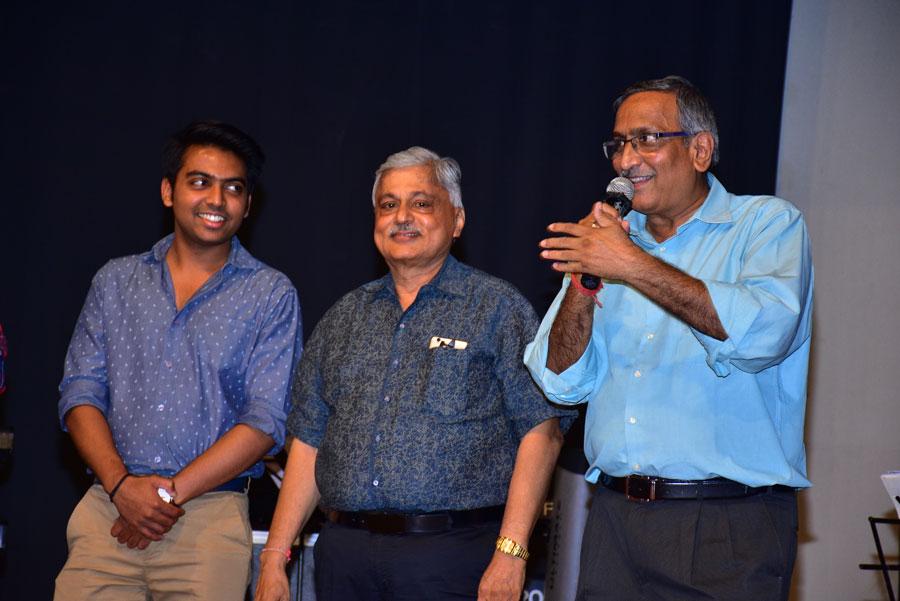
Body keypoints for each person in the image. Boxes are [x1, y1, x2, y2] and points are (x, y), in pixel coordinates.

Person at [524, 76, 813, 601]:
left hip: (727, 522)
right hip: (614, 521)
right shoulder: (610, 246)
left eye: (647, 139)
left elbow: (762, 334)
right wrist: (585, 282)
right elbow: (558, 380)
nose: (626, 160)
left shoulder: (765, 225)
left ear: (700, 150)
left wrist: (631, 265)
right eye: (618, 144)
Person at [255, 146, 573, 601]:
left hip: (454, 556)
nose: (402, 217)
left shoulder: (497, 309)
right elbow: (308, 442)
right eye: (388, 205)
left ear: (457, 220)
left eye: (421, 203)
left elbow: (542, 432)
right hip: (344, 557)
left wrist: (512, 553)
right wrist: (274, 556)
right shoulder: (343, 318)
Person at [55, 121, 303, 601]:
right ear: (169, 192)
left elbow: (267, 419)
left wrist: (165, 496)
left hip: (209, 520)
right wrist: (122, 487)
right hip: (108, 510)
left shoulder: (270, 294)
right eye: (200, 182)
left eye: (234, 188)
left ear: (249, 204)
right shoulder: (115, 281)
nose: (217, 199)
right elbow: (79, 393)